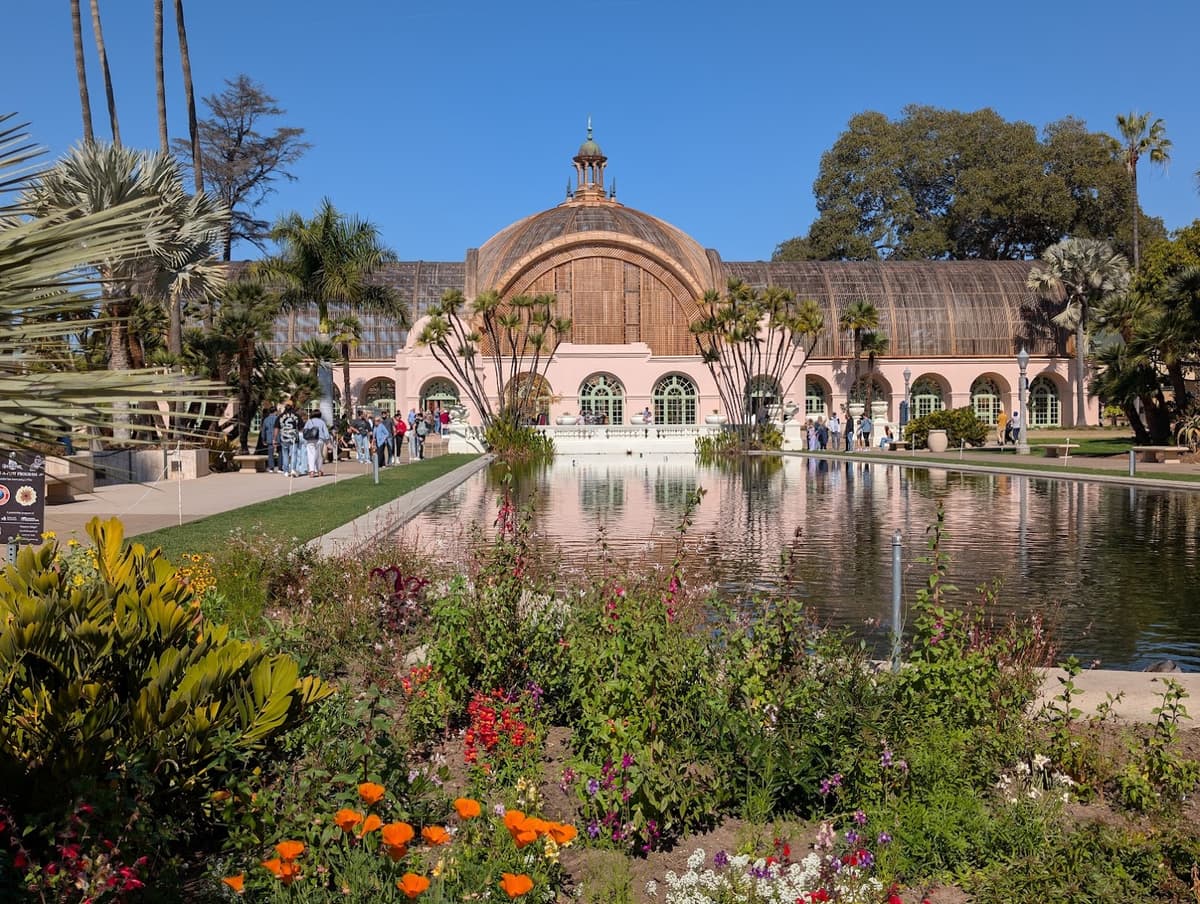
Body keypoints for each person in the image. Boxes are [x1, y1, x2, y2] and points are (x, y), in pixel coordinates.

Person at [301, 409, 330, 477]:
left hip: (310, 440)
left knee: (311, 455)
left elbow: (305, 431)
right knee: (319, 456)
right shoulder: (322, 422)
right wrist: (328, 441)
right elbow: (326, 433)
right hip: (320, 439)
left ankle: (312, 471)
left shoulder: (309, 421)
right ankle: (319, 470)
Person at [278, 402, 301, 477]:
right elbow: (301, 427)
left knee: (285, 455)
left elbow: (276, 428)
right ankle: (293, 469)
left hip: (284, 438)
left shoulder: (280, 416)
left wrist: (274, 439)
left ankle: (286, 471)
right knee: (294, 454)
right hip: (294, 438)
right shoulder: (296, 416)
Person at [261, 405, 280, 473]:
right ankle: (280, 468)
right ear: (275, 411)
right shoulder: (278, 418)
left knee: (270, 454)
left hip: (269, 438)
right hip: (278, 437)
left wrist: (263, 439)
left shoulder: (266, 419)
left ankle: (271, 468)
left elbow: (263, 430)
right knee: (280, 453)